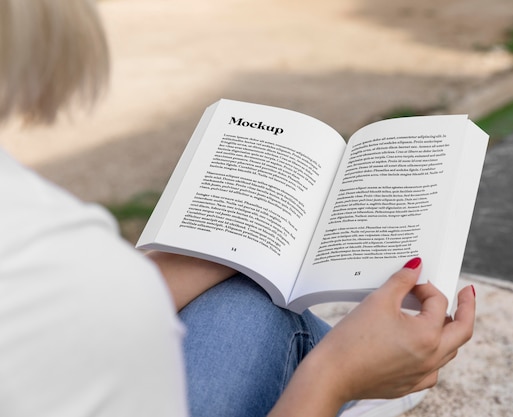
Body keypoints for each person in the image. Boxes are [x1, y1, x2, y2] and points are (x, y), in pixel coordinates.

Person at [0, 1, 476, 416]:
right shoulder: (58, 269)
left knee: (244, 298)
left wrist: (211, 250)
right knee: (253, 311)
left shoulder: (47, 262)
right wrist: (332, 378)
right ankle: (364, 379)